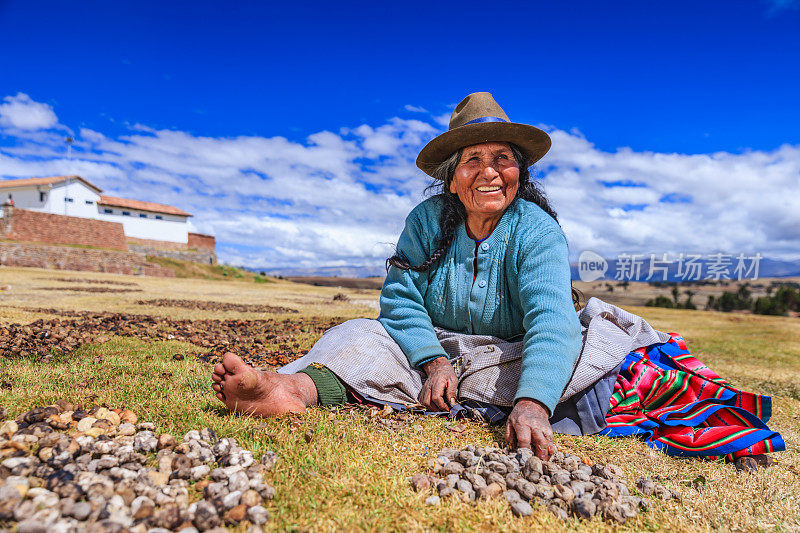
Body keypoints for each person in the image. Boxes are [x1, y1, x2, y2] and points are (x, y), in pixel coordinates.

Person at [212, 93, 637, 459]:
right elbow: (400, 300)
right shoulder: (426, 221)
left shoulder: (537, 230)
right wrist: (434, 361)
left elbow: (550, 320)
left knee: (574, 366)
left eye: (502, 159)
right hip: (428, 348)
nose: (490, 172)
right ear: (452, 180)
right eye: (473, 160)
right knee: (360, 336)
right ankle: (287, 390)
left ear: (518, 173)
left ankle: (513, 397)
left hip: (512, 350)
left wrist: (532, 403)